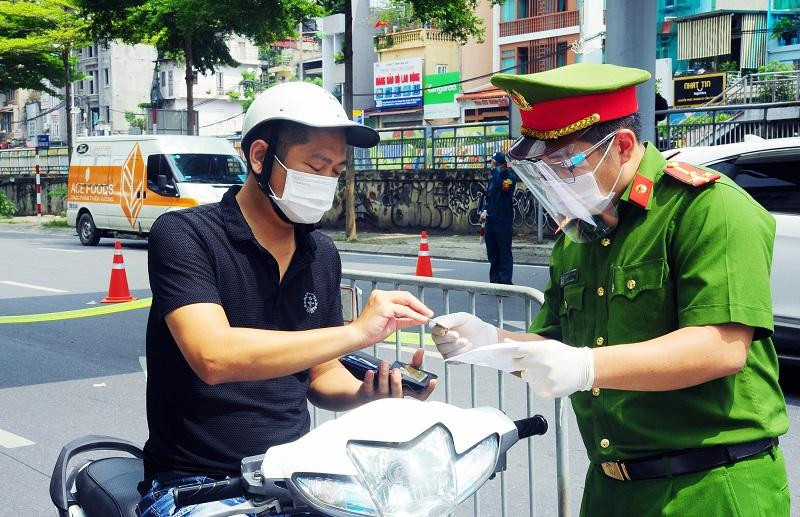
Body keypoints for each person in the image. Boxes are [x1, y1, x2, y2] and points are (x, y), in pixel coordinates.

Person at [431, 63, 790, 516]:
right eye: (543, 171)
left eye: (564, 165)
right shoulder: (582, 232)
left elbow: (720, 348)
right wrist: (492, 342)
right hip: (611, 488)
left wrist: (586, 367)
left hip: (710, 487)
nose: (557, 183)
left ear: (621, 146)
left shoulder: (706, 208)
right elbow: (558, 340)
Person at [137, 82, 437, 517]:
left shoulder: (320, 254)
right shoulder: (185, 235)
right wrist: (355, 333)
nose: (327, 183)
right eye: (314, 167)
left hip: (297, 476)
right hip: (196, 484)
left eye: (336, 171)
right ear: (259, 157)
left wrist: (367, 394)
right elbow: (213, 356)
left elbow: (321, 375)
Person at [480, 151, 517, 284]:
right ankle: (494, 283)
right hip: (491, 221)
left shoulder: (510, 179)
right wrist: (484, 210)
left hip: (503, 222)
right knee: (493, 254)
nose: (490, 165)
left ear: (500, 165)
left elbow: (501, 186)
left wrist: (496, 172)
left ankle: (505, 283)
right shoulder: (491, 180)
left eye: (493, 163)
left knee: (504, 253)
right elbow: (488, 199)